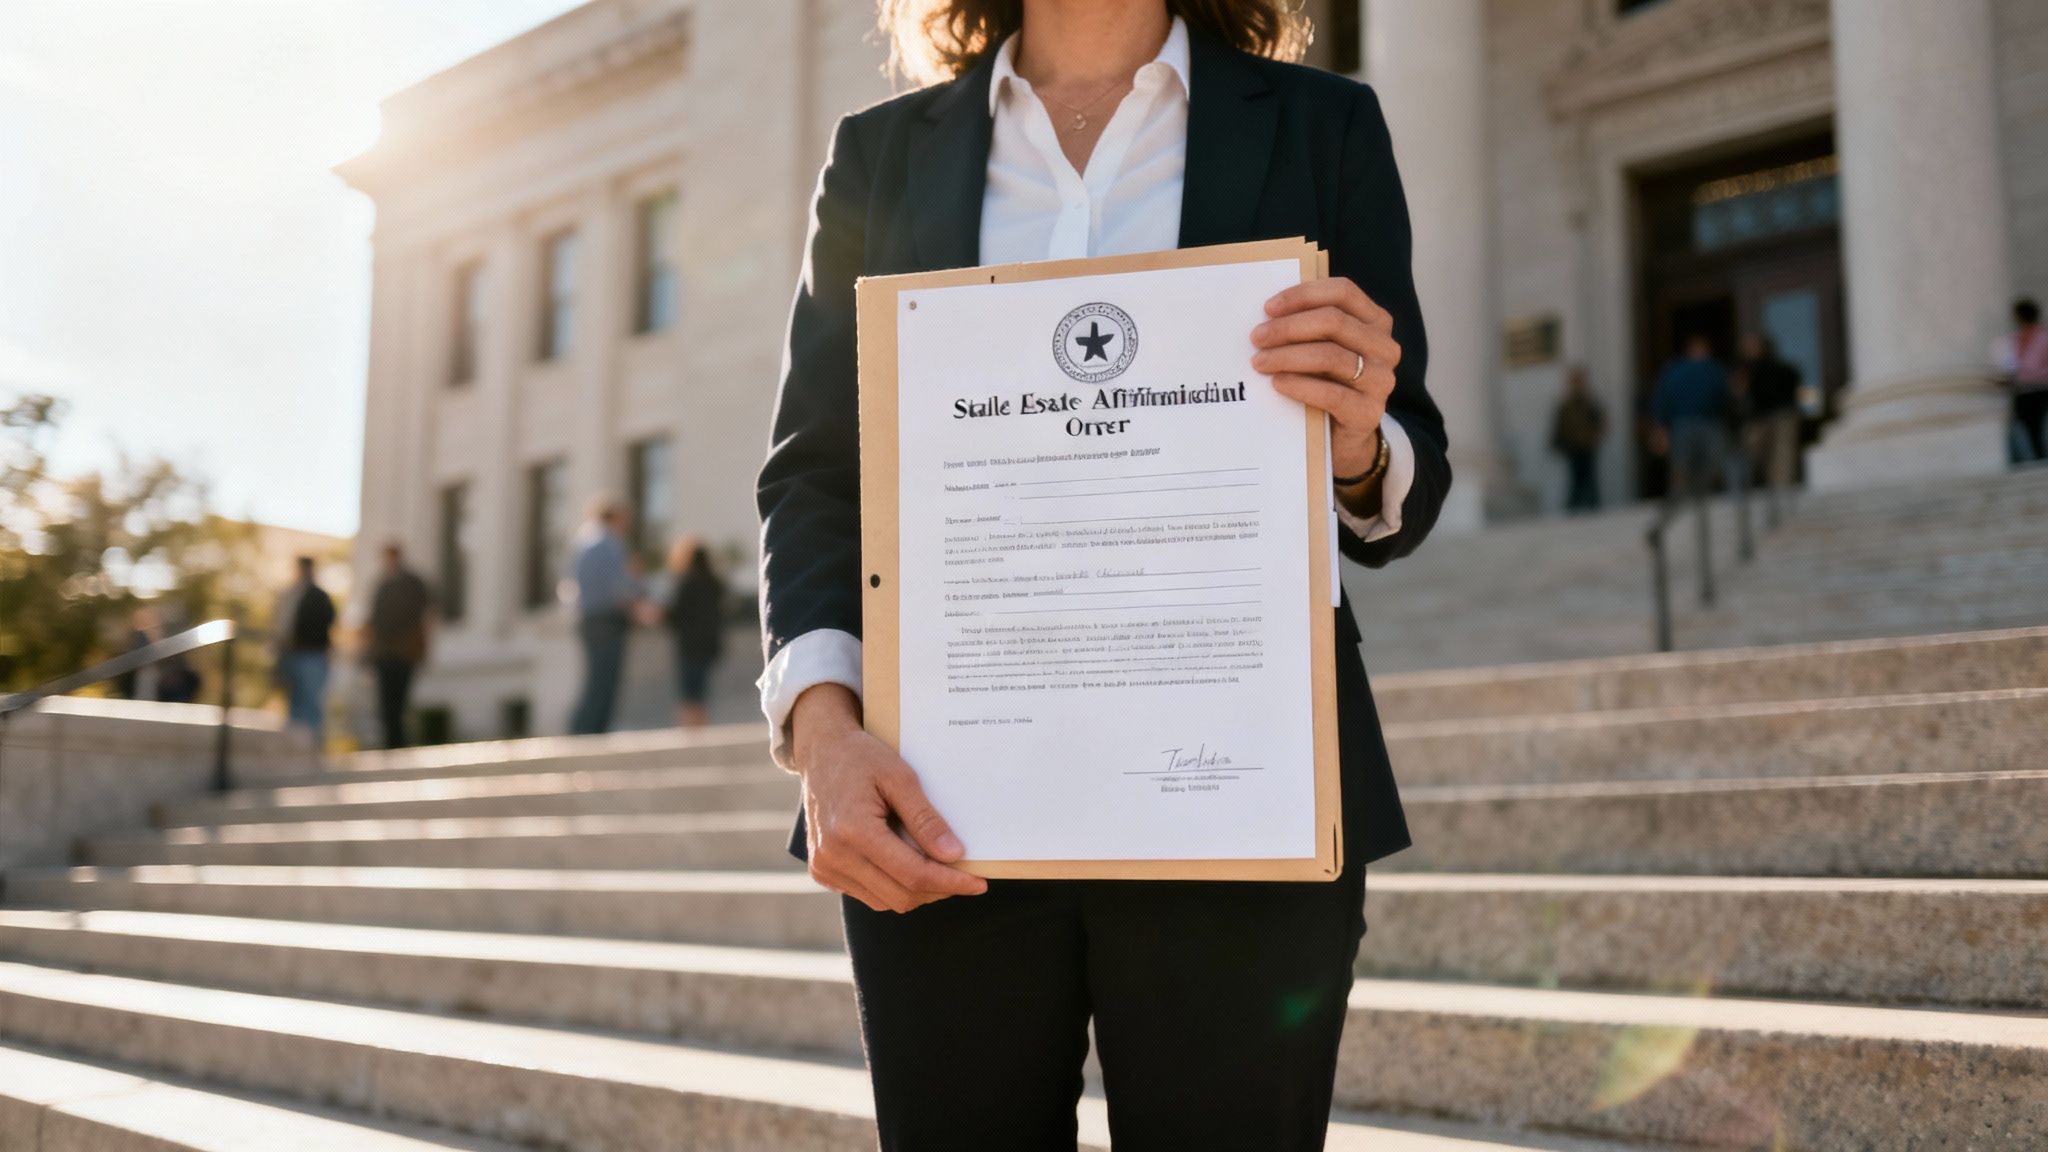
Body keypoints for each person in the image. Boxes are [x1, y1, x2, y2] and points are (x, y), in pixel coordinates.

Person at [755, 3, 1452, 1147]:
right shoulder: (879, 154)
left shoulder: (1326, 125)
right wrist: (823, 733)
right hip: (943, 811)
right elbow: (817, 473)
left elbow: (1400, 481)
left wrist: (1357, 439)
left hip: (1241, 802)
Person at [564, 498, 646, 735]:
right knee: (603, 681)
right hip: (607, 620)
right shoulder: (608, 543)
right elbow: (619, 587)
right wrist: (638, 603)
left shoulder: (583, 542)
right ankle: (588, 734)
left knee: (595, 679)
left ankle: (584, 733)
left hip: (589, 619)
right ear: (614, 517)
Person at [362, 541, 434, 750]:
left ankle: (398, 743)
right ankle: (389, 743)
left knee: (400, 700)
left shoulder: (413, 583)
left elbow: (423, 615)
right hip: (384, 653)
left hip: (404, 652)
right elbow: (374, 620)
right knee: (385, 702)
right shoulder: (382, 585)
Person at [1653, 332, 1733, 502]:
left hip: (1709, 422)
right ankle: (1681, 495)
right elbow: (1662, 398)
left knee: (1712, 463)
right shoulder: (1675, 371)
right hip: (1683, 423)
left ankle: (1703, 492)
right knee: (1682, 463)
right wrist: (1660, 427)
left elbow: (1726, 397)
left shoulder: (1714, 370)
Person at [664, 535, 727, 729]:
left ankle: (690, 730)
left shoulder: (686, 583)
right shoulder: (716, 584)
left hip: (689, 644)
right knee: (701, 690)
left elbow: (673, 614)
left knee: (689, 691)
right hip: (709, 644)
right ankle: (700, 727)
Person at [1736, 332, 1802, 519]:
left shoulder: (1774, 368)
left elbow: (1793, 379)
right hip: (1760, 418)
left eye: (1752, 346)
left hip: (1781, 414)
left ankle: (1782, 498)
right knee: (1750, 452)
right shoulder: (1747, 369)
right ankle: (1750, 487)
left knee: (1782, 455)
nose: (1748, 350)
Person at [274, 556, 336, 745]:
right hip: (290, 654)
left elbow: (327, 620)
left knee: (311, 701)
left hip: (311, 653)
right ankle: (294, 745)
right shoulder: (289, 594)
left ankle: (314, 745)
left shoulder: (319, 596)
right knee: (295, 701)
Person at [1995, 297, 2048, 461]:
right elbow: (2012, 365)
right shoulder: (2014, 339)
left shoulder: (2044, 337)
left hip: (2040, 388)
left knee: (2039, 427)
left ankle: (2040, 458)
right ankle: (2034, 458)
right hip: (2021, 390)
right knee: (2024, 426)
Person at [1549, 366, 1605, 513]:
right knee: (1576, 480)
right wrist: (1556, 444)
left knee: (1590, 479)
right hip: (1572, 448)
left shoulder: (1589, 404)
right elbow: (1559, 427)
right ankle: (1573, 509)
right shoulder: (1565, 406)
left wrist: (1595, 437)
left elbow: (1600, 422)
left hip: (1587, 446)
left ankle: (1593, 507)